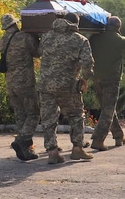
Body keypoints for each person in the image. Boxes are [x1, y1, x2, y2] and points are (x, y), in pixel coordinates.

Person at [37, 15, 95, 164]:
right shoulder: (80, 39)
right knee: (76, 115)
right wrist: (85, 78)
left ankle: (52, 152)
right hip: (68, 86)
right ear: (76, 23)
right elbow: (87, 63)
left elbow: (39, 52)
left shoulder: (46, 36)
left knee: (48, 118)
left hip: (46, 85)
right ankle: (77, 149)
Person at [0, 13, 41, 161]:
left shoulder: (2, 40)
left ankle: (26, 151)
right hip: (25, 82)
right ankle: (21, 140)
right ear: (15, 23)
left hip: (10, 83)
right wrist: (36, 37)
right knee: (34, 114)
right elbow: (38, 52)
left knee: (21, 115)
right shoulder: (24, 37)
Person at [88, 15, 125, 150]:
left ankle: (119, 135)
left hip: (96, 78)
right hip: (111, 79)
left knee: (107, 108)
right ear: (119, 27)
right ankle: (98, 139)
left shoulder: (94, 38)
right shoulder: (120, 40)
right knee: (108, 110)